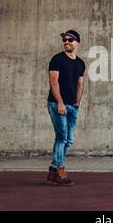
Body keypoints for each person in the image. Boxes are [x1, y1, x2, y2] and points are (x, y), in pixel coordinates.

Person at [46, 30, 86, 186]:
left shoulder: (80, 63)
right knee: (61, 137)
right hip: (57, 104)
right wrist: (60, 102)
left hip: (72, 106)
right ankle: (59, 171)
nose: (66, 41)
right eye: (64, 39)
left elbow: (80, 83)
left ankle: (52, 171)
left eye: (70, 39)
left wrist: (77, 102)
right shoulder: (57, 59)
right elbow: (53, 81)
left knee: (69, 140)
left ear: (77, 43)